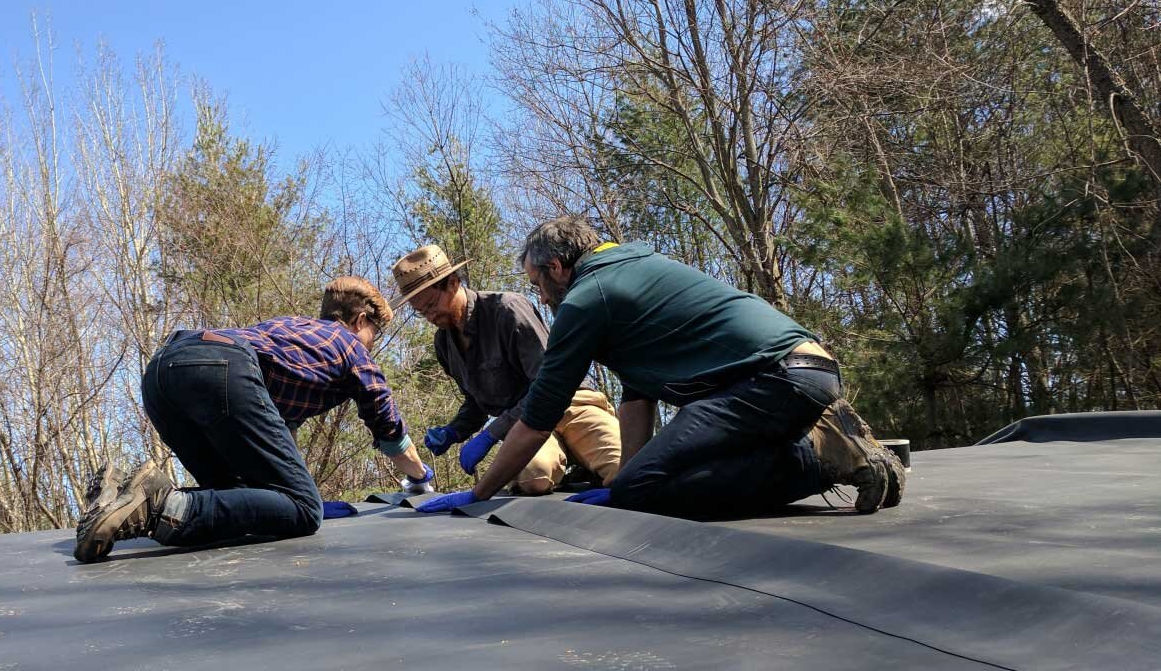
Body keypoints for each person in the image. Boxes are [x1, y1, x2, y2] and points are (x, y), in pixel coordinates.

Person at [417, 217, 904, 520]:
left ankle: (820, 457)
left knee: (649, 490)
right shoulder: (631, 264)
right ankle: (816, 434)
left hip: (770, 380)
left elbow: (542, 411)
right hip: (806, 370)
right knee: (635, 482)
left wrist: (478, 493)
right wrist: (622, 477)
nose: (541, 295)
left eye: (539, 282)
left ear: (559, 266)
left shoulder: (586, 299)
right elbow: (637, 393)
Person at [74, 277, 433, 562]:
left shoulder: (291, 332)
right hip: (221, 367)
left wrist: (289, 490)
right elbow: (388, 427)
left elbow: (276, 439)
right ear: (360, 321)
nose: (373, 343)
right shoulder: (351, 347)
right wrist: (420, 478)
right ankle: (157, 505)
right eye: (375, 333)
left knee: (243, 503)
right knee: (306, 512)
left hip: (163, 372)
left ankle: (118, 493)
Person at [392, 243, 621, 494]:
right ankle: (574, 471)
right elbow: (477, 402)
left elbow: (550, 385)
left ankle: (591, 466)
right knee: (532, 479)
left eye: (431, 304)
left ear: (453, 283)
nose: (429, 316)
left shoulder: (507, 309)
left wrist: (491, 434)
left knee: (625, 469)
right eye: (420, 311)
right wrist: (453, 430)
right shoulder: (444, 344)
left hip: (571, 404)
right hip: (525, 426)